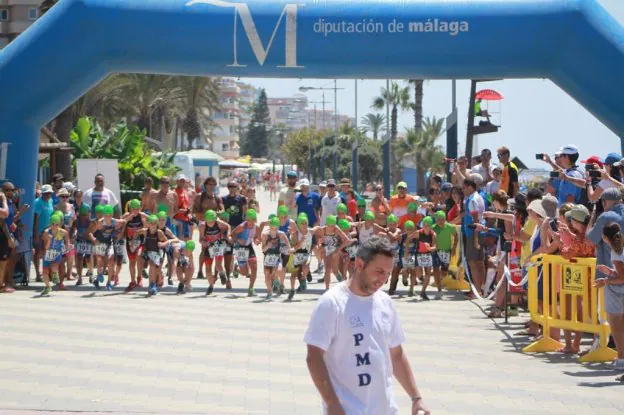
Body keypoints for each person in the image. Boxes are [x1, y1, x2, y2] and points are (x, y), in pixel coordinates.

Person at [304, 236, 430, 415]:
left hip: (386, 409)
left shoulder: (385, 302)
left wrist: (416, 398)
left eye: (387, 273)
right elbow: (314, 356)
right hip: (348, 409)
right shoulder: (332, 303)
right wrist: (332, 403)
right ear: (360, 264)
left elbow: (396, 353)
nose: (383, 279)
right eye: (379, 271)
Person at [594, 222, 624, 373]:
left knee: (617, 327)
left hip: (618, 292)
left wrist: (605, 280)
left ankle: (621, 357)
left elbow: (622, 278)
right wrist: (611, 272)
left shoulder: (616, 251)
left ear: (606, 238)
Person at [462, 177, 486, 297]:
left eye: (464, 187)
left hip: (473, 234)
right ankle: (481, 289)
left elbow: (476, 220)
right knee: (479, 262)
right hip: (478, 233)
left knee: (473, 263)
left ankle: (476, 291)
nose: (463, 190)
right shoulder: (479, 197)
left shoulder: (472, 200)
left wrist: (475, 239)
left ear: (470, 187)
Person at [261, 216, 291, 300]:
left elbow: (287, 242)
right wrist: (268, 246)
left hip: (277, 257)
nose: (274, 230)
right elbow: (262, 249)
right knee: (267, 276)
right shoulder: (265, 235)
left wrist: (289, 249)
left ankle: (275, 279)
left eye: (275, 228)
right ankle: (269, 292)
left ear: (278, 227)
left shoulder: (281, 234)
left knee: (279, 270)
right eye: (272, 228)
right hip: (267, 258)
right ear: (270, 226)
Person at [40, 214, 71, 296]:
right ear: (50, 224)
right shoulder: (46, 232)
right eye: (53, 224)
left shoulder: (62, 232)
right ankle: (47, 286)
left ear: (59, 224)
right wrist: (49, 240)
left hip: (57, 253)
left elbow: (67, 240)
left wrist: (68, 246)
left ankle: (55, 274)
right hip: (48, 253)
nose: (54, 226)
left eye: (56, 224)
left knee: (54, 266)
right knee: (45, 271)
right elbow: (46, 247)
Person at [232, 209, 260, 297]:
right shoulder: (242, 226)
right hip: (240, 248)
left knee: (254, 268)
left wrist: (256, 241)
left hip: (249, 247)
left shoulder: (257, 227)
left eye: (252, 220)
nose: (250, 222)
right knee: (245, 273)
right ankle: (236, 268)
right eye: (248, 220)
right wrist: (238, 240)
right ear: (246, 220)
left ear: (255, 220)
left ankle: (251, 289)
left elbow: (255, 238)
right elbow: (232, 234)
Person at [33, 184, 55, 282]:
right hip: (40, 231)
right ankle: (38, 274)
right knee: (38, 253)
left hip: (49, 231)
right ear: (42, 193)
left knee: (47, 252)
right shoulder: (37, 202)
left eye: (49, 193)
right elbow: (36, 219)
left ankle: (47, 272)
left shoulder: (50, 201)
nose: (48, 195)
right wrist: (37, 234)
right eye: (46, 193)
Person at [173, 174, 193, 241]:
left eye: (183, 181)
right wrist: (185, 211)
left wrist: (189, 213)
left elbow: (186, 206)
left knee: (187, 239)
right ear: (177, 181)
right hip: (177, 220)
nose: (182, 182)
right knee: (179, 240)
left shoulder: (185, 191)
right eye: (181, 181)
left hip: (186, 219)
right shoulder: (173, 193)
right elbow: (173, 209)